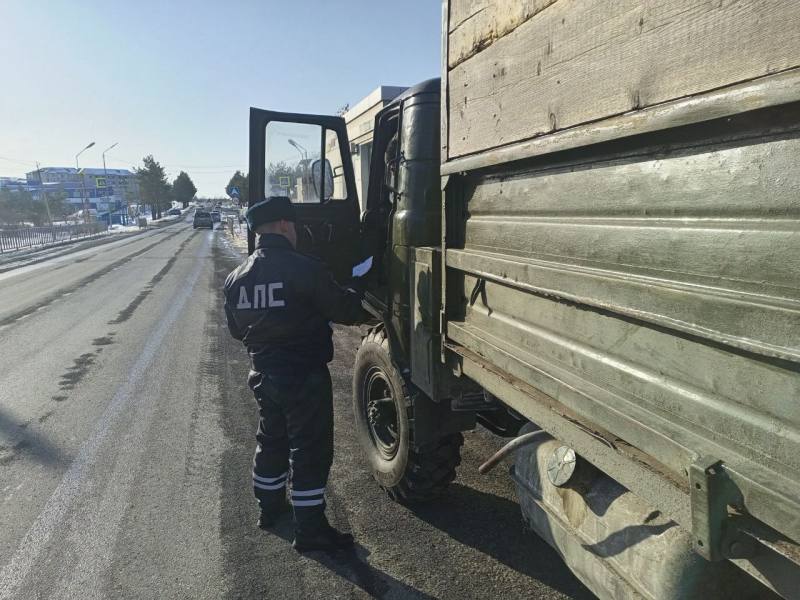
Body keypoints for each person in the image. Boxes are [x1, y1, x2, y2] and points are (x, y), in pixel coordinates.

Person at [223, 195, 366, 552]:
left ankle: (269, 510)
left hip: (263, 375)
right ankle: (311, 530)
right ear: (286, 225)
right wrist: (359, 284)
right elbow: (347, 311)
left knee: (271, 440)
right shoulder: (306, 268)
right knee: (310, 450)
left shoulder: (236, 279)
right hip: (304, 377)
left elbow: (237, 332)